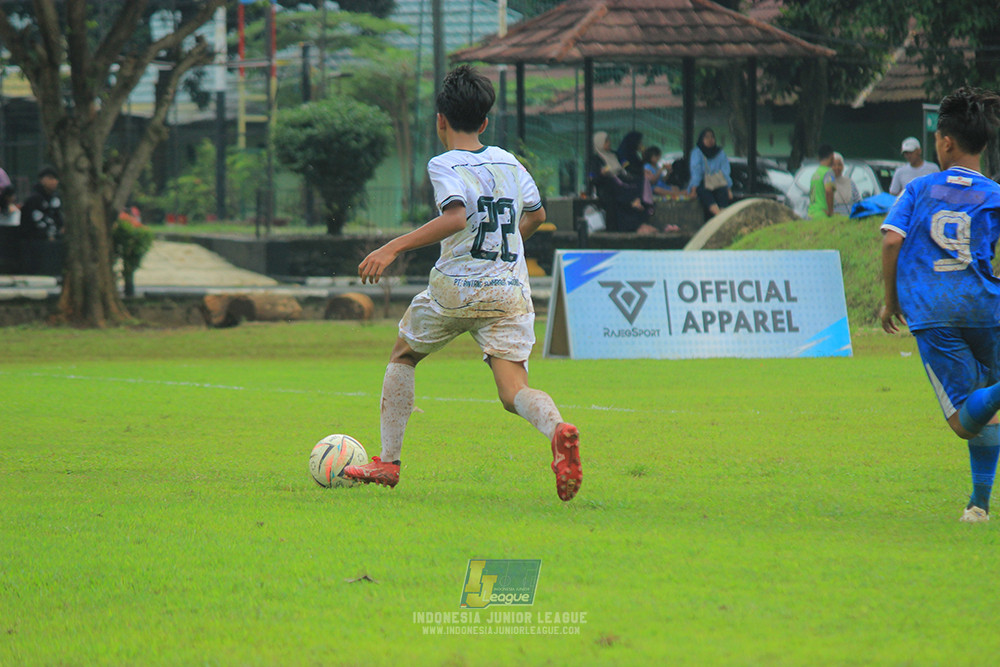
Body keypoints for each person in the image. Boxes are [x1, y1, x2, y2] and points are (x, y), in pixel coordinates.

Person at [344, 65, 582, 502]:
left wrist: (391, 248)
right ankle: (557, 429)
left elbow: (454, 216)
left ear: (440, 119)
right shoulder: (509, 162)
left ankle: (388, 462)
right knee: (514, 392)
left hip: (457, 286)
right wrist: (505, 245)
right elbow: (537, 215)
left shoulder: (444, 163)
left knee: (404, 354)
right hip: (510, 291)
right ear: (485, 121)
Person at [880, 86, 1000, 522]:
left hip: (934, 312)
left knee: (963, 420)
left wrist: (890, 301)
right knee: (984, 407)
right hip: (988, 309)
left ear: (946, 142)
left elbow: (892, 240)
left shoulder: (919, 188)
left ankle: (979, 504)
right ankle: (979, 505)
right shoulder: (995, 193)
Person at [587, 131, 657, 234]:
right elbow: (592, 178)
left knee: (640, 181)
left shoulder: (615, 155)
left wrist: (642, 169)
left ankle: (639, 203)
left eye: (608, 141)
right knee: (615, 185)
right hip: (608, 186)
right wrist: (602, 173)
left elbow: (627, 167)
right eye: (606, 141)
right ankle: (632, 203)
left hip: (623, 182)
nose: (609, 143)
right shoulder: (595, 160)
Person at [17, 165, 63, 274]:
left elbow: (58, 218)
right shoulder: (34, 199)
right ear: (43, 180)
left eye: (55, 179)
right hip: (34, 242)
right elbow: (34, 223)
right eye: (50, 178)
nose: (54, 182)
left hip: (53, 241)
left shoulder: (55, 198)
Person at [687, 128, 732, 219]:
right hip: (703, 183)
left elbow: (725, 172)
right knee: (703, 191)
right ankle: (719, 216)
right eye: (706, 137)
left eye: (712, 137)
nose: (710, 140)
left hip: (718, 182)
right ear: (701, 139)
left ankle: (722, 216)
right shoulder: (697, 153)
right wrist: (693, 189)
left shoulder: (720, 153)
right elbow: (696, 172)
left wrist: (728, 188)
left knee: (722, 192)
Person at [806, 144, 835, 219]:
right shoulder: (828, 172)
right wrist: (831, 212)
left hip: (811, 213)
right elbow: (829, 191)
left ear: (818, 158)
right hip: (822, 214)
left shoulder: (815, 174)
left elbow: (812, 194)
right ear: (832, 157)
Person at [830, 152, 860, 216]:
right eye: (834, 165)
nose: (837, 167)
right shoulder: (827, 184)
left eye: (839, 165)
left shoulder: (850, 183)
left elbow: (858, 202)